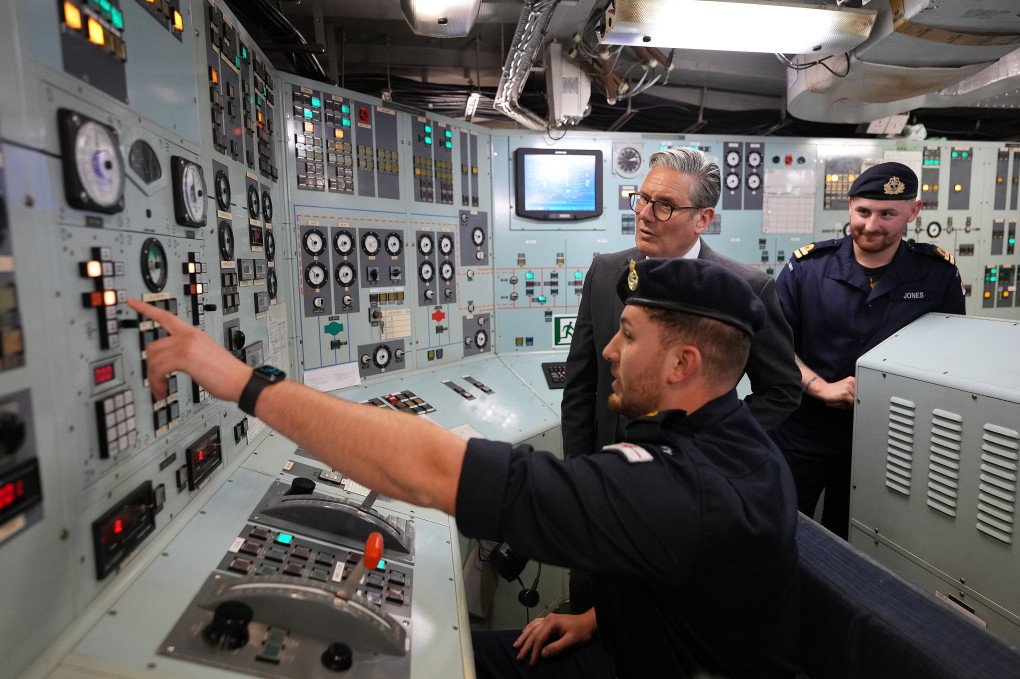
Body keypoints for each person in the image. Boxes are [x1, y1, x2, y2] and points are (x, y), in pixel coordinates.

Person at [127, 257, 799, 679]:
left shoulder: (683, 488)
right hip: (633, 646)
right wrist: (599, 619)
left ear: (682, 364)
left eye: (628, 335)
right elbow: (696, 588)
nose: (610, 352)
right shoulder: (726, 442)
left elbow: (429, 467)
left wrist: (243, 383)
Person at [559, 145, 801, 612]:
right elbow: (580, 386)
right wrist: (579, 477)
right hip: (605, 485)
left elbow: (782, 389)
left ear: (703, 218)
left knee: (660, 622)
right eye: (643, 199)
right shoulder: (606, 272)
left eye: (665, 205)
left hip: (688, 496)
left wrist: (712, 444)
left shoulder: (747, 289)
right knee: (589, 608)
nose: (645, 214)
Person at [770, 161, 966, 539]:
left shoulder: (936, 274)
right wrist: (820, 387)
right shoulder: (808, 268)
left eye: (887, 214)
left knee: (859, 541)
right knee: (781, 529)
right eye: (863, 211)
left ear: (913, 211)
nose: (872, 225)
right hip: (804, 430)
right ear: (850, 205)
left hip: (890, 439)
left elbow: (949, 359)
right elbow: (774, 346)